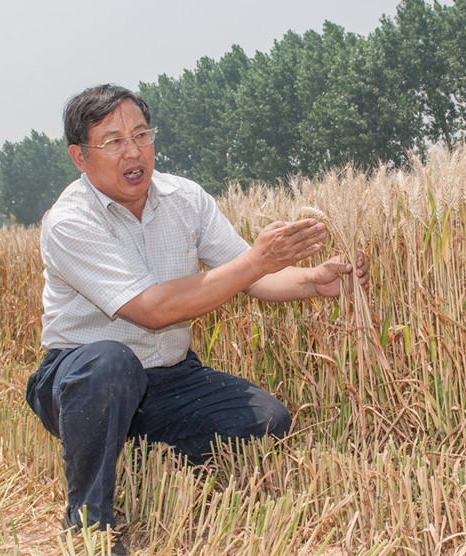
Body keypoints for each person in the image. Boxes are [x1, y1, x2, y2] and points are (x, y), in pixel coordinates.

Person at [25, 84, 369, 552]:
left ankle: (138, 456)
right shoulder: (70, 220)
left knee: (268, 422)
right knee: (111, 362)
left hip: (169, 377)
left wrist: (313, 280)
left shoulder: (185, 198)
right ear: (79, 157)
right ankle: (88, 524)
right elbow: (152, 309)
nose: (134, 151)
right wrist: (256, 261)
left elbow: (250, 276)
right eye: (114, 141)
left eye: (141, 135)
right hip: (82, 379)